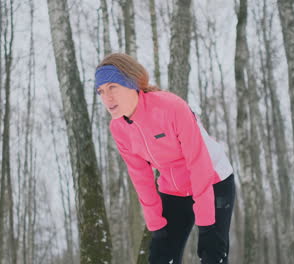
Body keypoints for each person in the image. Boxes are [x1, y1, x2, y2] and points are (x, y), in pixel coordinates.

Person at [94, 53, 235, 264]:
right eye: (101, 91)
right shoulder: (119, 128)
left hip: (213, 180)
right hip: (174, 188)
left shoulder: (170, 108)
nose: (107, 97)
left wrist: (206, 222)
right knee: (161, 257)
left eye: (112, 87)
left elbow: (199, 163)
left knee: (212, 255)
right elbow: (140, 177)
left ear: (131, 83)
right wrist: (156, 224)